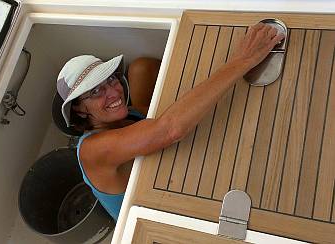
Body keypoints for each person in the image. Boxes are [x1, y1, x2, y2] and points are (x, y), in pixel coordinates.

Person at [55, 23, 284, 221]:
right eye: (95, 91)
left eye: (111, 79)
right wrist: (244, 59)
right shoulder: (91, 150)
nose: (113, 92)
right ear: (80, 110)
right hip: (149, 226)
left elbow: (155, 105)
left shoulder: (127, 116)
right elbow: (169, 130)